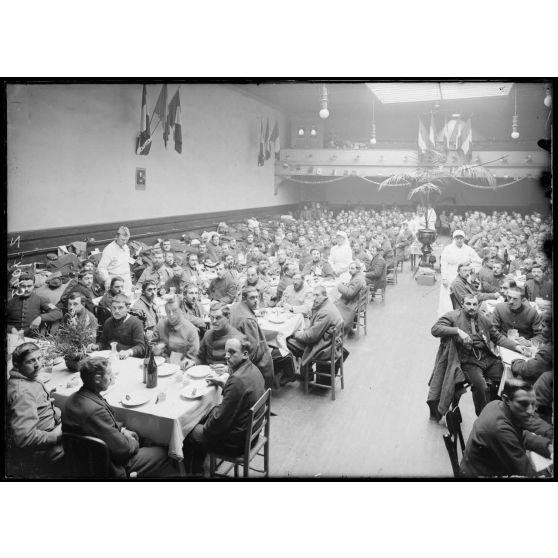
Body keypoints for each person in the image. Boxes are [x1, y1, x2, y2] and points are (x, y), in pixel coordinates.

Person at [62, 357, 174, 478]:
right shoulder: (94, 410)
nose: (112, 378)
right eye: (109, 374)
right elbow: (123, 450)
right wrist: (135, 442)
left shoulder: (72, 399)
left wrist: (122, 430)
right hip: (109, 466)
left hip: (84, 460)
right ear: (97, 379)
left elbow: (99, 427)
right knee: (163, 452)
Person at [429, 294, 527, 418]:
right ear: (462, 305)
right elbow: (435, 329)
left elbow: (497, 337)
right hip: (469, 361)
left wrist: (516, 347)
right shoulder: (453, 316)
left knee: (508, 381)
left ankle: (501, 413)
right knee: (482, 388)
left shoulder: (482, 318)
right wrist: (458, 331)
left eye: (475, 304)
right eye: (468, 304)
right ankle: (484, 418)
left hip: (488, 359)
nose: (472, 307)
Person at [182, 336, 265, 476]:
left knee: (187, 430)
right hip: (251, 434)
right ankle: (199, 468)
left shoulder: (237, 381)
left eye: (232, 352)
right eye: (226, 352)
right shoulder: (253, 369)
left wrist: (202, 423)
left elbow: (216, 424)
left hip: (236, 444)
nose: (226, 356)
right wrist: (222, 384)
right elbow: (241, 395)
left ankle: (193, 473)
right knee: (204, 417)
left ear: (244, 354)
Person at [459, 379, 553, 478]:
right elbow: (527, 473)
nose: (531, 411)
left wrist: (548, 446)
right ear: (506, 399)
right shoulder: (500, 430)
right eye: (523, 404)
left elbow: (522, 435)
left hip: (477, 467)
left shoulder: (496, 404)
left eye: (533, 404)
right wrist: (550, 469)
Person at [6, 342, 64, 477]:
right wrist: (55, 435)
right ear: (16, 364)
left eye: (39, 358)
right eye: (31, 361)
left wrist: (55, 412)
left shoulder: (27, 378)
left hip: (48, 428)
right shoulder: (23, 392)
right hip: (40, 451)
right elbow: (24, 438)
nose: (38, 364)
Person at [288, 285, 345, 376]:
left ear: (325, 295)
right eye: (313, 295)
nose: (314, 298)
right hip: (329, 343)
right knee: (299, 336)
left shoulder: (325, 312)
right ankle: (306, 372)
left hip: (324, 348)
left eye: (317, 295)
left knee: (288, 341)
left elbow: (311, 337)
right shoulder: (328, 305)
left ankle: (305, 374)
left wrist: (295, 334)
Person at [229, 286, 274, 389]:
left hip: (234, 350)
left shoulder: (235, 306)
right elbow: (254, 349)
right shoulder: (248, 320)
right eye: (252, 298)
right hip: (246, 359)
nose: (256, 301)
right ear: (244, 299)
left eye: (257, 297)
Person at [438, 230, 481, 315]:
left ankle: (463, 313)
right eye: (457, 238)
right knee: (448, 294)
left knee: (462, 294)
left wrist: (470, 266)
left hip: (464, 274)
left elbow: (478, 261)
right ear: (454, 238)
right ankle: (448, 314)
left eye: (461, 238)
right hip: (450, 273)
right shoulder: (448, 249)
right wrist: (444, 278)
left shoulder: (469, 249)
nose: (459, 240)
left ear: (464, 239)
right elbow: (444, 264)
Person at [151, 295, 199, 370]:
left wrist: (188, 361)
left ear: (181, 310)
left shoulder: (191, 330)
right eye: (168, 312)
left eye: (174, 311)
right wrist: (155, 350)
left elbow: (194, 357)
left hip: (181, 369)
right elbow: (151, 345)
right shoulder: (160, 325)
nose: (171, 315)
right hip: (161, 366)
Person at [197, 302, 242, 371]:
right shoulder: (208, 334)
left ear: (227, 317)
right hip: (207, 373)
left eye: (218, 318)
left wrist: (228, 369)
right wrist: (193, 362)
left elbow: (244, 367)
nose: (213, 321)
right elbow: (200, 357)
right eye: (211, 317)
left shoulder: (237, 337)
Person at [97, 294, 145, 358]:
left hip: (127, 358)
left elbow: (140, 346)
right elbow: (103, 342)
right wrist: (97, 346)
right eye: (114, 308)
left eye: (120, 308)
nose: (116, 311)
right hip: (110, 356)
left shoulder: (135, 323)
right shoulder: (108, 322)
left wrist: (128, 352)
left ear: (127, 308)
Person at [510, 312, 552, 385]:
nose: (539, 328)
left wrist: (516, 361)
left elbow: (527, 370)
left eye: (543, 326)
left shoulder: (548, 350)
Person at [97, 226, 133, 293]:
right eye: (123, 240)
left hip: (126, 280)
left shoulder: (126, 247)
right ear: (116, 236)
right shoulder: (109, 249)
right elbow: (101, 268)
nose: (125, 242)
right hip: (115, 282)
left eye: (127, 240)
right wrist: (107, 280)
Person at [335, 261, 366, 335]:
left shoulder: (358, 279)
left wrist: (339, 286)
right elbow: (352, 288)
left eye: (352, 268)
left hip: (353, 304)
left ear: (358, 269)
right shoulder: (357, 276)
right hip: (355, 301)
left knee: (333, 306)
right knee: (335, 302)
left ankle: (336, 329)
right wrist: (346, 285)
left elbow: (350, 293)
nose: (350, 270)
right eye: (349, 268)